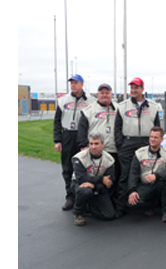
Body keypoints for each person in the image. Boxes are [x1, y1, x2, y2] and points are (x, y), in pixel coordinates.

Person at [114, 77, 161, 218]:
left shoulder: (153, 107)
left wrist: (154, 143)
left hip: (147, 142)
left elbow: (157, 128)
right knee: (125, 175)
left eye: (136, 87)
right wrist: (120, 145)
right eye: (131, 88)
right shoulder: (122, 106)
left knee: (146, 175)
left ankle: (147, 205)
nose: (133, 90)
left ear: (142, 89)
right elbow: (117, 127)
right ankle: (121, 207)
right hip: (128, 143)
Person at [53, 74, 96, 211]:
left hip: (83, 137)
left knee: (84, 167)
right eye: (71, 82)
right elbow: (57, 122)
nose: (73, 85)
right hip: (67, 136)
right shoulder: (62, 100)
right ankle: (70, 197)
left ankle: (83, 196)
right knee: (67, 168)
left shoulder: (91, 101)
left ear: (82, 84)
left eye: (76, 83)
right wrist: (57, 140)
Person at [77, 83, 120, 200]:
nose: (104, 95)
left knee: (113, 177)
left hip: (114, 149)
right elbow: (82, 130)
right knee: (96, 176)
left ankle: (111, 200)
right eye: (102, 93)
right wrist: (83, 146)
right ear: (98, 94)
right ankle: (93, 200)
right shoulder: (88, 110)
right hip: (96, 151)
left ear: (111, 94)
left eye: (107, 93)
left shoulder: (119, 109)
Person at [126, 127, 166, 222]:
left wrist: (156, 176)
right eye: (151, 137)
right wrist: (132, 190)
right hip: (144, 185)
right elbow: (133, 173)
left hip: (159, 184)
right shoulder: (139, 153)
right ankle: (150, 204)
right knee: (132, 204)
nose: (152, 139)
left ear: (162, 139)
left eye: (156, 137)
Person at [71, 132, 115, 226]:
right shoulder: (79, 158)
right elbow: (81, 178)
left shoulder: (109, 159)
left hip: (97, 187)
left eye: (96, 143)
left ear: (103, 144)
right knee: (85, 191)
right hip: (79, 185)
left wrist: (94, 185)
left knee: (109, 215)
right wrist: (101, 179)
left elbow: (109, 181)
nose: (93, 146)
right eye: (91, 143)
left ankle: (89, 206)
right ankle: (78, 212)